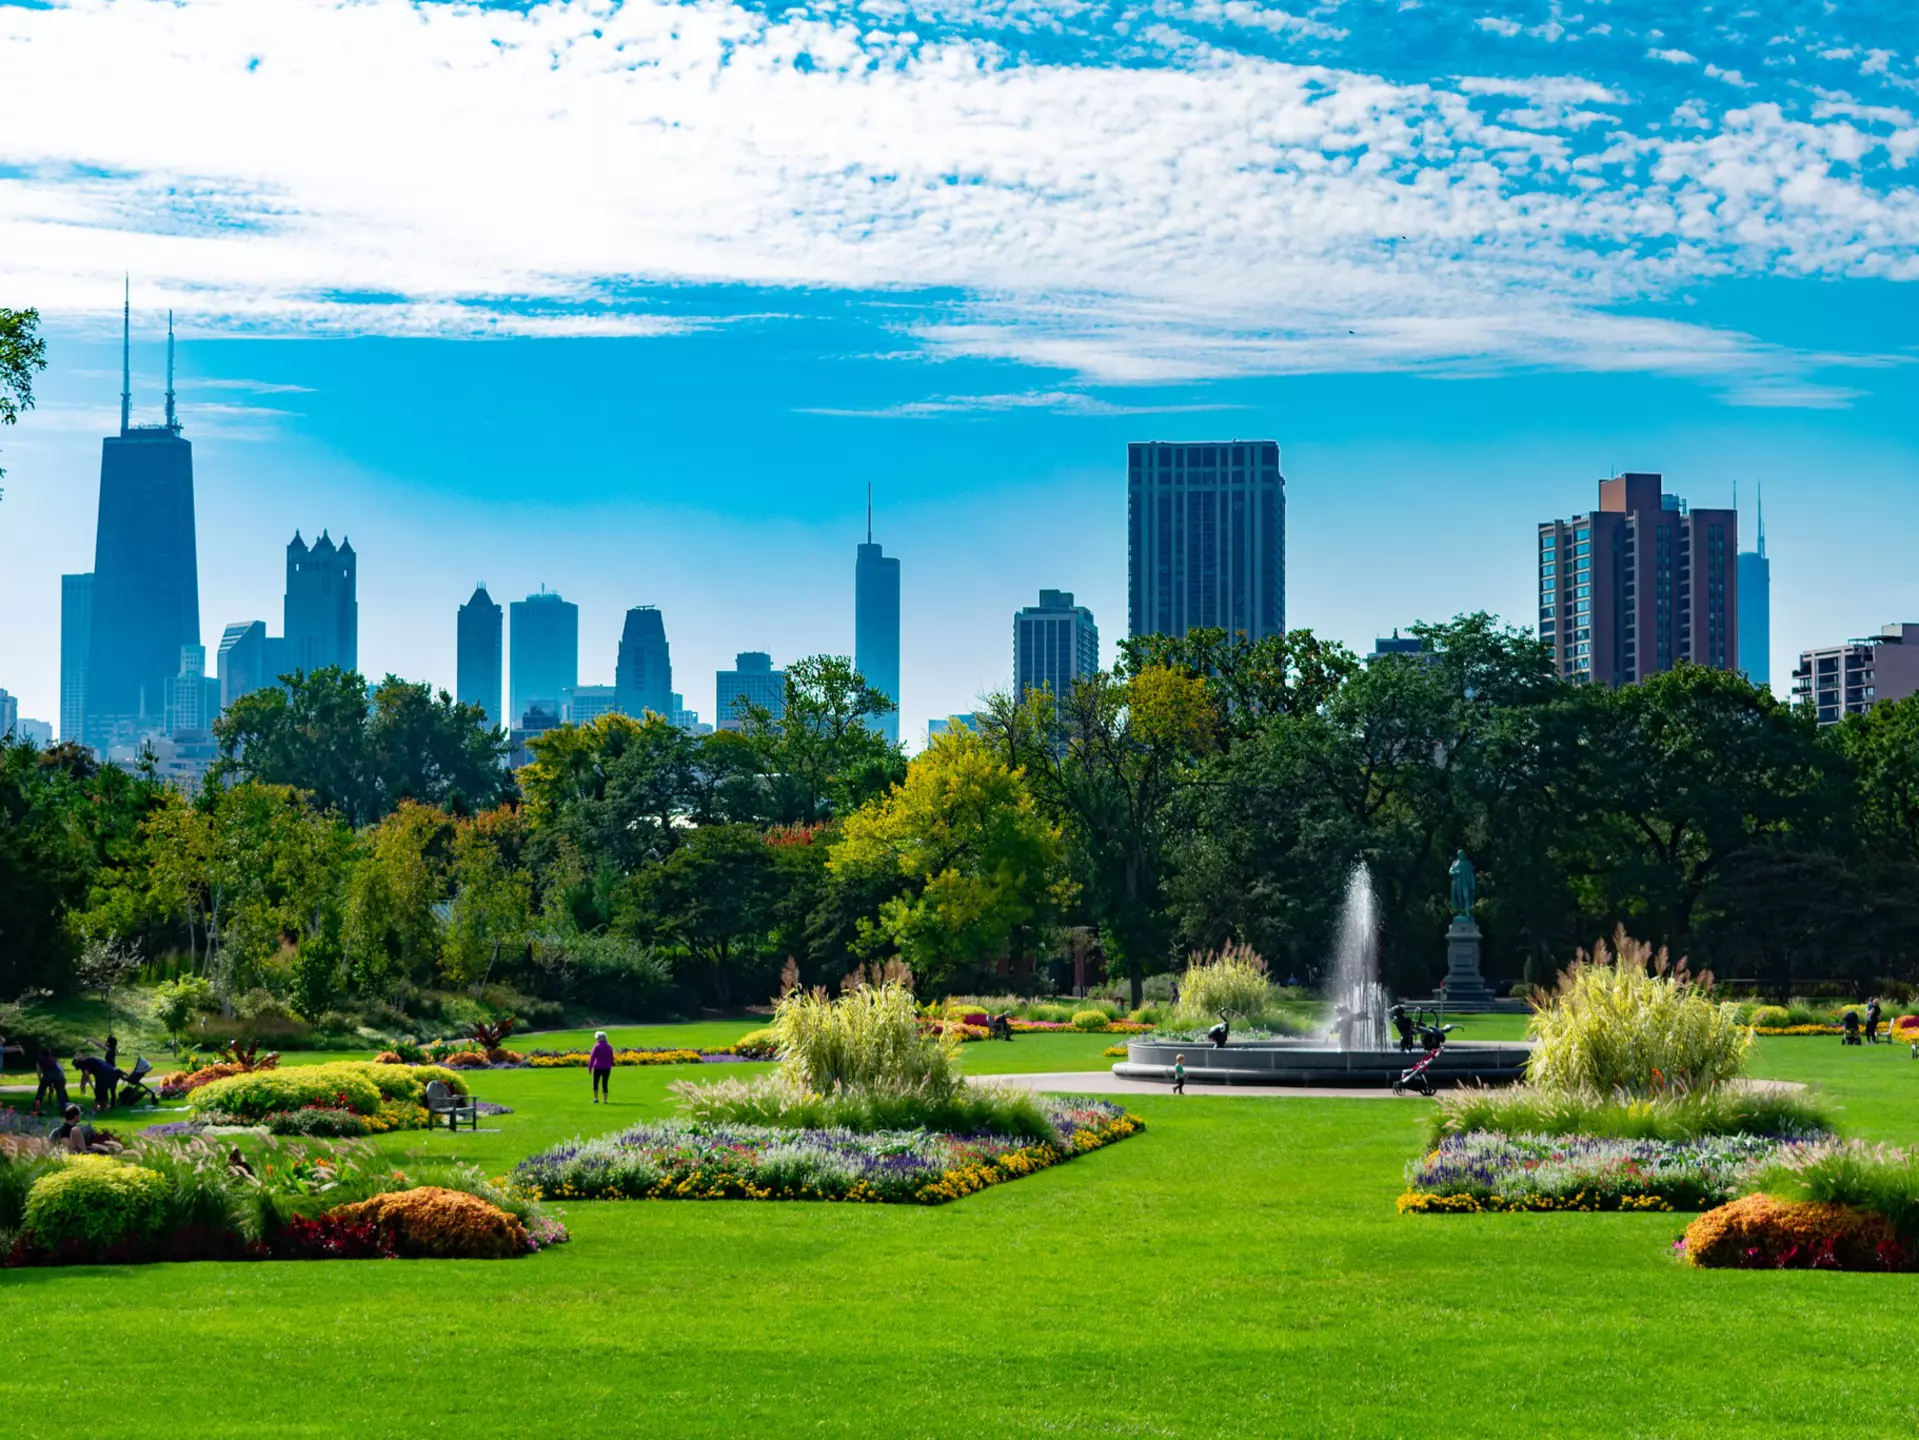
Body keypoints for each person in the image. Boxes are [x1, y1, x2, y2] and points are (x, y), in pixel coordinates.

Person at [48, 1104, 120, 1155]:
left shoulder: (69, 1127)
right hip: (78, 1154)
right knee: (102, 1151)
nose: (80, 1116)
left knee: (102, 1148)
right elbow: (70, 1149)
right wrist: (83, 1151)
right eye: (79, 1114)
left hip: (81, 1152)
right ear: (76, 1116)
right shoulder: (65, 1130)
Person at [33, 1050, 70, 1116]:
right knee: (60, 1094)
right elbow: (60, 1069)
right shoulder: (54, 1059)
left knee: (40, 1093)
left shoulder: (40, 1061)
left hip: (47, 1075)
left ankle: (35, 1109)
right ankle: (63, 1111)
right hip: (59, 1075)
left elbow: (39, 1072)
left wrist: (41, 1082)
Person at [588, 1031, 615, 1102]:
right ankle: (605, 1100)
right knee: (605, 1083)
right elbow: (611, 1057)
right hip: (607, 1068)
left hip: (598, 1067)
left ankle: (596, 1098)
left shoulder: (596, 1046)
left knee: (595, 1083)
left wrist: (590, 1067)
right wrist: (611, 1064)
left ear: (599, 1038)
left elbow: (592, 1057)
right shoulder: (609, 1047)